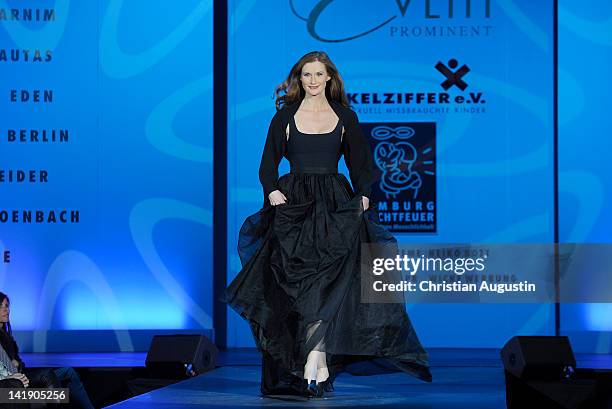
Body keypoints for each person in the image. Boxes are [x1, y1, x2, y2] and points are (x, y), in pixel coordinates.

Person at [222, 51, 432, 398]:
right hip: (294, 207)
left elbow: (361, 163)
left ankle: (314, 361)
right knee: (301, 289)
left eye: (319, 74)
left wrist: (363, 194)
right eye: (307, 74)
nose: (313, 80)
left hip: (335, 205)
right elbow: (268, 164)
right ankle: (314, 363)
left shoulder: (346, 116)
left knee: (328, 288)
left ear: (330, 78)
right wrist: (272, 190)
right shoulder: (284, 117)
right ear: (298, 79)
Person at [0, 292, 96, 408]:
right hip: (11, 384)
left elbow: (19, 364)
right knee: (51, 384)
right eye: (1, 306)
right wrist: (10, 374)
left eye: (7, 306)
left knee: (68, 372)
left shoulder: (7, 336)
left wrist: (17, 363)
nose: (6, 310)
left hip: (20, 377)